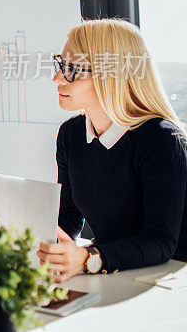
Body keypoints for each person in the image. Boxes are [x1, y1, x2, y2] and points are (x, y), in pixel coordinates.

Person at [38, 19, 187, 281]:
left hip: (167, 280)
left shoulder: (161, 140)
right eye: (60, 65)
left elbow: (161, 243)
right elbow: (70, 218)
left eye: (71, 69)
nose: (57, 78)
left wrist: (88, 258)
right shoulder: (70, 136)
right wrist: (29, 239)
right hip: (116, 275)